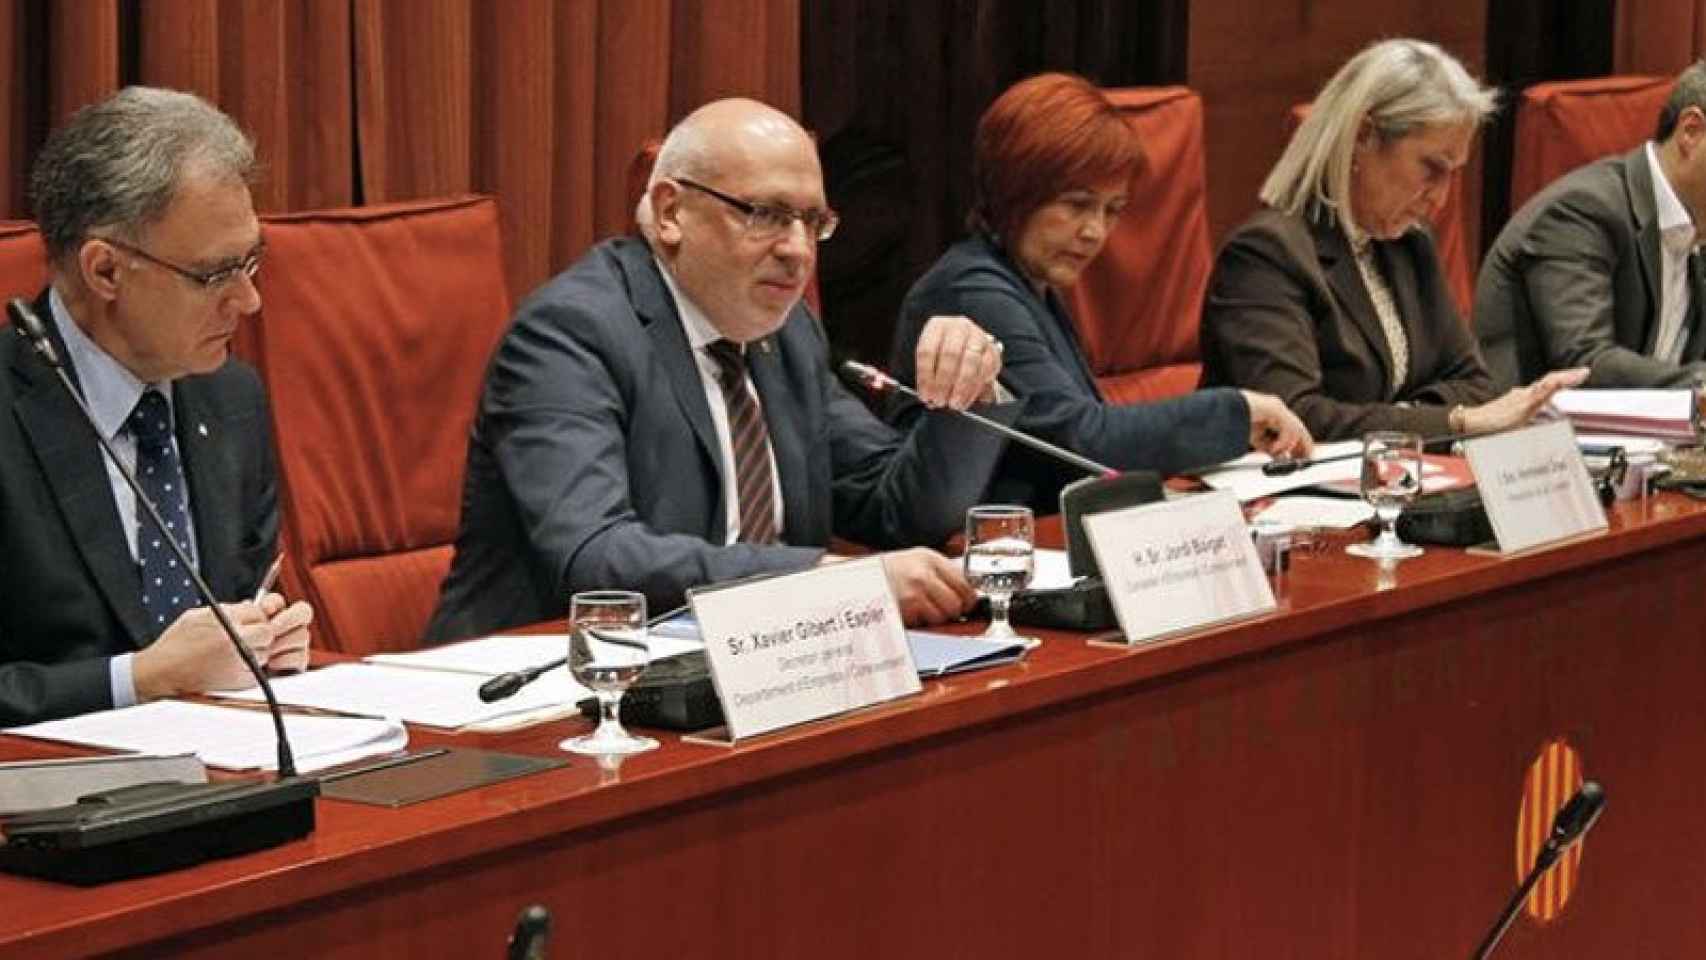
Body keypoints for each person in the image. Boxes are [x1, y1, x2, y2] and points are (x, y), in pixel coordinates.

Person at [425, 98, 1018, 641]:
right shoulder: (570, 333)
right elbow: (595, 554)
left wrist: (967, 398)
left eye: (812, 222)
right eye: (765, 214)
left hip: (759, 670)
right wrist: (821, 582)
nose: (798, 250)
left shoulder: (783, 334)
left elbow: (895, 510)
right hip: (544, 693)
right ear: (670, 212)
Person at [0, 87, 312, 725]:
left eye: (251, 261)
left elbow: (244, 596)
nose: (249, 301)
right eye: (213, 274)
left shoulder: (231, 399)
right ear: (106, 272)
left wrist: (264, 640)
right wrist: (139, 678)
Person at [888, 73, 1311, 512]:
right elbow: (1083, 440)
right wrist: (1239, 410)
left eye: (1113, 211)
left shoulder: (1030, 282)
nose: (1096, 232)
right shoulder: (971, 290)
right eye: (1076, 204)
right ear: (1015, 190)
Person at [1200, 39, 1585, 443]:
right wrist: (1453, 422)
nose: (1441, 197)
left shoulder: (1409, 245)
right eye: (1432, 168)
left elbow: (1474, 382)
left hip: (1393, 485)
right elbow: (1292, 419)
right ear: (1363, 136)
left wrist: (1402, 418)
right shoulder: (1266, 255)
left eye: (1454, 172)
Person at [1477, 61, 1706, 389]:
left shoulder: (1697, 230)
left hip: (1646, 436)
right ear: (1691, 132)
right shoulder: (1582, 211)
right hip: (1539, 436)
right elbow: (1585, 363)